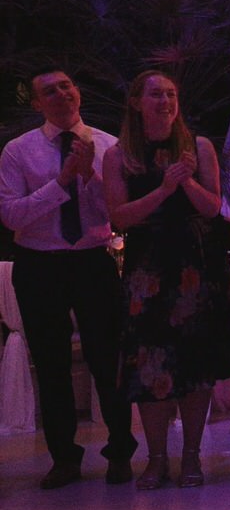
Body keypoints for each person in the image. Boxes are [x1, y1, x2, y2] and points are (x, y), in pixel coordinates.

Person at [102, 70, 230, 491]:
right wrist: (163, 189)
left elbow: (214, 207)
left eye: (171, 94)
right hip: (148, 267)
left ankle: (192, 456)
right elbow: (119, 218)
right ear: (136, 102)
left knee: (194, 364)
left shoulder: (197, 147)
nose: (165, 101)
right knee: (150, 366)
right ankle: (157, 457)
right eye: (156, 94)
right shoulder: (120, 155)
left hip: (195, 264)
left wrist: (187, 181)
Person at [0, 69, 132, 488]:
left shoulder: (109, 146)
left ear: (78, 92)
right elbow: (12, 215)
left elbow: (117, 214)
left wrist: (89, 176)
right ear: (36, 103)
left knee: (108, 358)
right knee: (52, 362)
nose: (60, 94)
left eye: (66, 86)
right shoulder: (18, 152)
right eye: (48, 91)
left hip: (92, 259)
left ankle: (121, 452)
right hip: (40, 263)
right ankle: (64, 458)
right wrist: (61, 182)